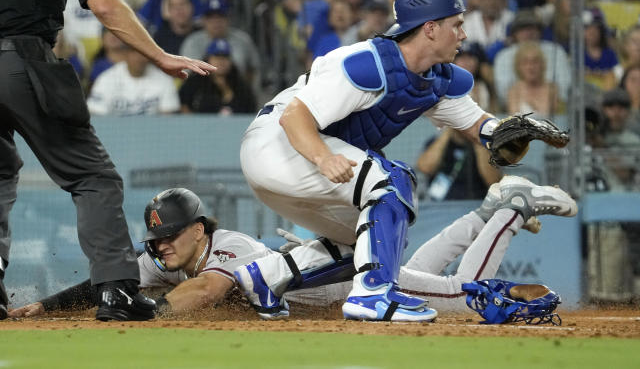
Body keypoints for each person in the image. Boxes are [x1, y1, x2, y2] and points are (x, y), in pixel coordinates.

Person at [232, 0, 534, 322]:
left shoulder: (435, 79)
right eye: (457, 24)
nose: (463, 34)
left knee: (378, 236)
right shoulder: (364, 62)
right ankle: (372, 295)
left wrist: (513, 132)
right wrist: (323, 157)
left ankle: (268, 277)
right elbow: (294, 116)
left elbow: (481, 127)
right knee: (392, 182)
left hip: (299, 159)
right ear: (431, 28)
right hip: (278, 144)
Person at [0, 0, 216, 321]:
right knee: (94, 177)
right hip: (22, 59)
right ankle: (117, 290)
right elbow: (102, 3)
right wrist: (160, 56)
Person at [8, 177, 578, 318]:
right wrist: (50, 305)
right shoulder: (161, 258)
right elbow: (109, 281)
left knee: (459, 300)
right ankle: (489, 208)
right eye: (155, 238)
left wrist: (151, 312)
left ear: (199, 229)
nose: (160, 247)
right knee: (421, 264)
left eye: (170, 235)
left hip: (348, 284)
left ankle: (509, 212)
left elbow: (208, 290)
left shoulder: (225, 247)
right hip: (344, 282)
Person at [87, 44, 180, 116]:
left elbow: (168, 121)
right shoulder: (106, 79)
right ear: (125, 54)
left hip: (153, 135)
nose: (139, 58)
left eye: (143, 54)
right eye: (134, 53)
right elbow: (96, 115)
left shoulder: (164, 80)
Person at [179, 39, 257, 114]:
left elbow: (251, 111)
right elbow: (183, 105)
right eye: (217, 57)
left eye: (225, 57)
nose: (221, 61)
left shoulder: (240, 84)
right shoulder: (195, 81)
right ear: (208, 59)